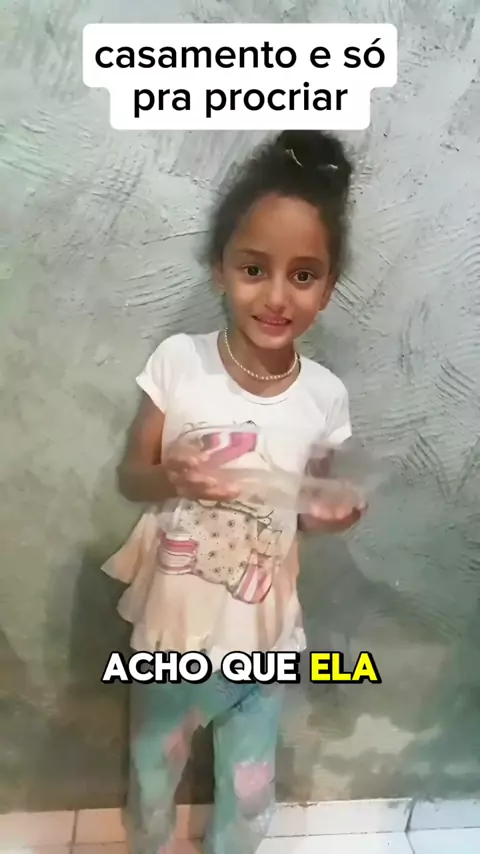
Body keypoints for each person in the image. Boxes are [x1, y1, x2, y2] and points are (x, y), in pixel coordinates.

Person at [102, 129, 366, 854]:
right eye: (254, 268)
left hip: (264, 637)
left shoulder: (325, 395)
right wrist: (172, 475)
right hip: (173, 630)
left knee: (250, 792)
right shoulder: (178, 363)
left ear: (328, 289)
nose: (276, 296)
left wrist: (331, 515)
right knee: (153, 770)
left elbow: (305, 507)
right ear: (220, 269)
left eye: (303, 275)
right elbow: (131, 477)